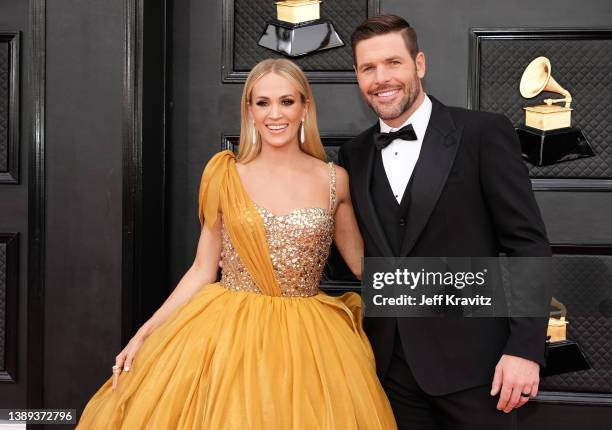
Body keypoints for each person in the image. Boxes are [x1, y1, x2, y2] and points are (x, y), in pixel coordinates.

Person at [76, 58, 397, 429]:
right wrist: (145, 332)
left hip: (310, 342)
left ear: (305, 107)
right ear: (250, 110)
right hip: (227, 336)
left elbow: (362, 266)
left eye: (287, 102)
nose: (275, 114)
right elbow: (201, 269)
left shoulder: (334, 180)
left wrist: (455, 289)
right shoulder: (225, 176)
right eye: (262, 103)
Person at [337, 15, 552, 430]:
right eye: (368, 68)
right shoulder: (354, 154)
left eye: (393, 63)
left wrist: (525, 349)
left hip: (481, 371)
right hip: (389, 372)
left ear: (419, 64)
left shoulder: (483, 133)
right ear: (357, 76)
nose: (382, 78)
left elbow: (527, 244)